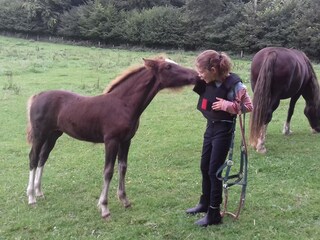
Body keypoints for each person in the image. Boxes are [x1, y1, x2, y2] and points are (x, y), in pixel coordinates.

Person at [186, 50, 253, 227]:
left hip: (224, 130)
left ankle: (214, 213)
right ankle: (204, 203)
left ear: (214, 69)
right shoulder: (208, 80)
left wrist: (228, 105)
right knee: (204, 166)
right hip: (210, 128)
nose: (200, 75)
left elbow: (248, 106)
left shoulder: (234, 85)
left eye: (202, 71)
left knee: (214, 170)